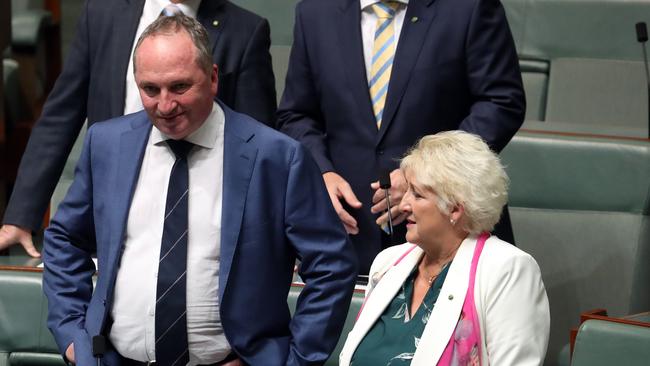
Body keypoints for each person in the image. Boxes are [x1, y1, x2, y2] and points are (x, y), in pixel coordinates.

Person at [43, 14, 357, 366]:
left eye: (179, 87)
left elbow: (331, 265)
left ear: (212, 78)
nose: (164, 106)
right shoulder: (106, 144)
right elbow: (65, 240)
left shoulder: (276, 158)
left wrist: (292, 361)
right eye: (150, 89)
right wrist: (73, 335)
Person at [0, 0, 277, 257]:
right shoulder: (102, 14)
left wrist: (267, 237)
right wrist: (21, 215)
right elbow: (61, 115)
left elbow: (257, 147)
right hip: (108, 219)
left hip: (197, 225)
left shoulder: (245, 30)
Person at [277, 0, 525, 273]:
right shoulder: (315, 11)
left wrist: (424, 175)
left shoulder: (469, 6)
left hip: (448, 233)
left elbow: (501, 103)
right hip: (348, 231)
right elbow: (296, 114)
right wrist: (321, 173)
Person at [338, 131, 549, 365]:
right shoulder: (387, 263)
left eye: (417, 194)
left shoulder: (507, 270)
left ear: (455, 209)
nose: (404, 204)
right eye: (406, 190)